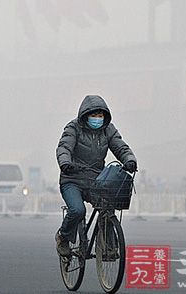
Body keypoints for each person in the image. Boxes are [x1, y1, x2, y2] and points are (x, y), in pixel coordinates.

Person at [55, 95, 137, 256]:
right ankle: (63, 237)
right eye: (94, 115)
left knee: (107, 209)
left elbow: (121, 147)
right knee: (78, 210)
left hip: (96, 180)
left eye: (100, 116)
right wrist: (65, 163)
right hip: (72, 179)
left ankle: (107, 248)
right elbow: (64, 147)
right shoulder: (73, 128)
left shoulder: (108, 130)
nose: (97, 119)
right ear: (85, 116)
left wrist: (130, 160)